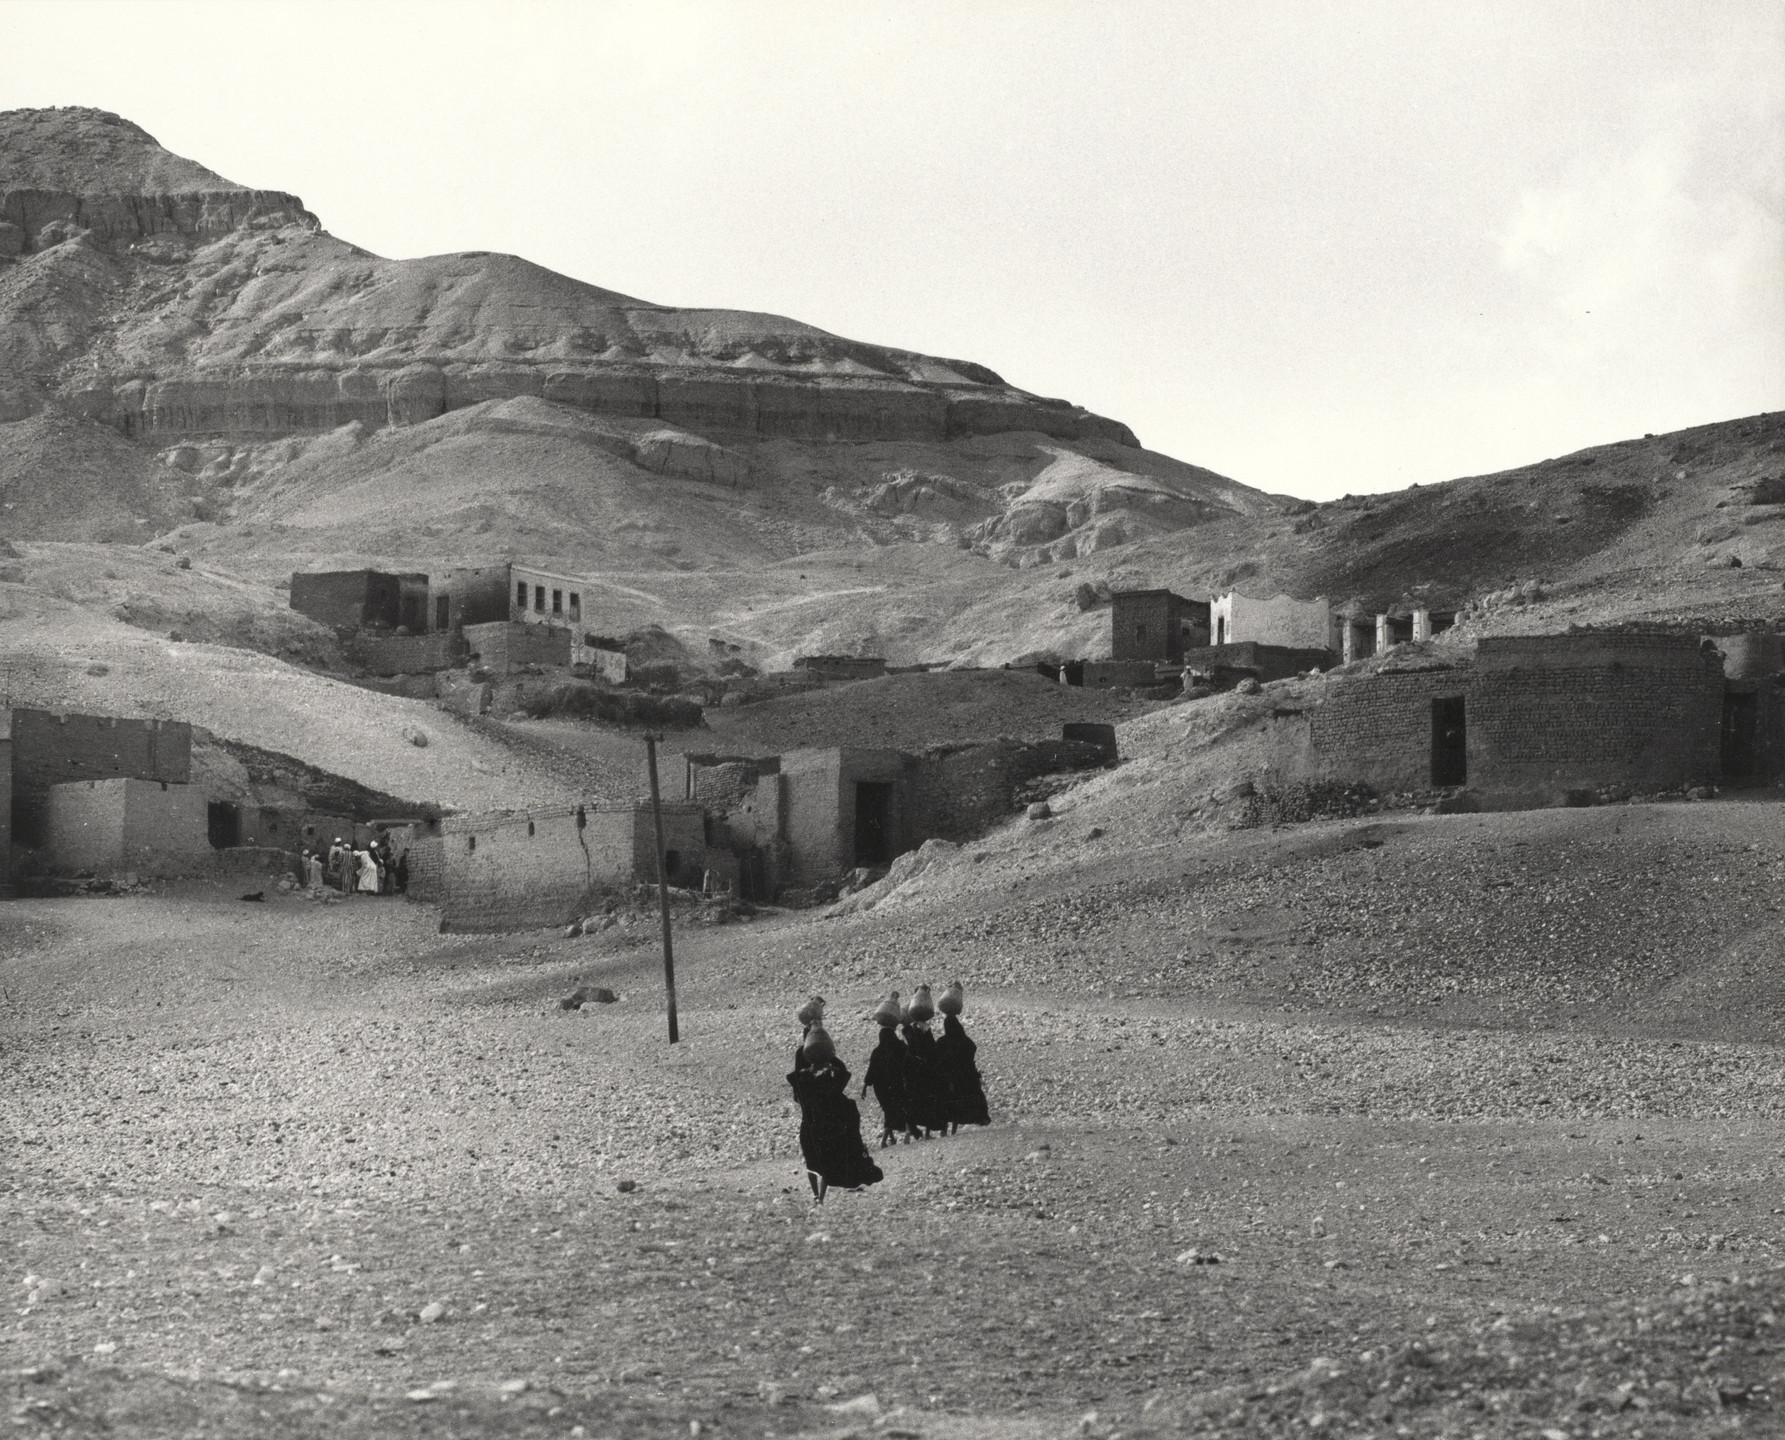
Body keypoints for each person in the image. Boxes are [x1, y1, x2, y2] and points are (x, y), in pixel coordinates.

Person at [787, 1024, 882, 1204]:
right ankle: (820, 1198)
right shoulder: (832, 1074)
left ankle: (816, 1197)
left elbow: (796, 1086)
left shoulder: (803, 1077)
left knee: (812, 1162)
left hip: (809, 1126)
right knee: (827, 1163)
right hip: (829, 1127)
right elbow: (842, 1074)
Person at [935, 980, 990, 1132]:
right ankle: (955, 1128)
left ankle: (946, 1130)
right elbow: (971, 1047)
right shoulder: (963, 1039)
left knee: (949, 1102)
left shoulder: (943, 1041)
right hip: (965, 1074)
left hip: (951, 1075)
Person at [899, 984, 950, 1138]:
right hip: (925, 1070)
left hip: (912, 1070)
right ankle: (929, 1132)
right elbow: (931, 1049)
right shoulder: (925, 1029)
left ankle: (911, 1130)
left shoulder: (910, 1029)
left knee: (913, 1102)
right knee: (930, 1100)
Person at [861, 992, 912, 1147]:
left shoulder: (877, 1051)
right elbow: (907, 1063)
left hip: (881, 1086)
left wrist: (865, 1086)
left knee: (888, 1110)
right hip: (897, 1083)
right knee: (902, 1106)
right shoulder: (899, 1046)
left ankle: (886, 1140)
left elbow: (872, 1070)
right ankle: (907, 1132)